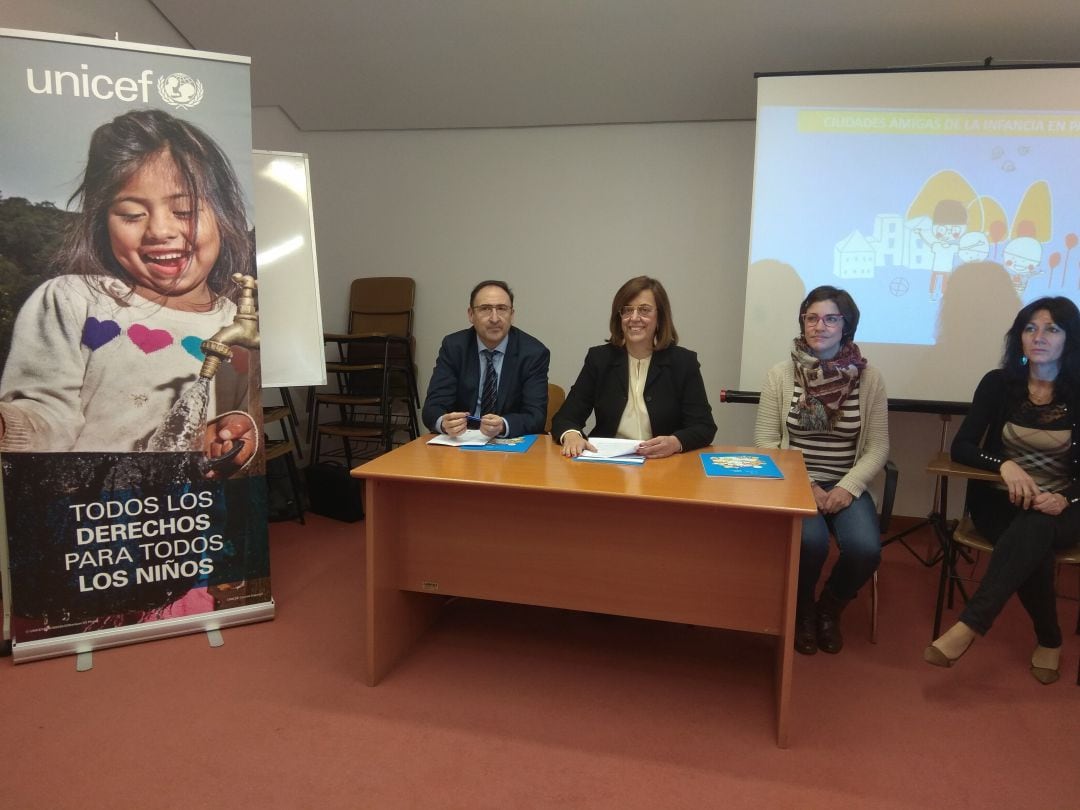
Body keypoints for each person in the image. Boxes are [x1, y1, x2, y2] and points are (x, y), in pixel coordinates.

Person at [0, 108, 257, 476]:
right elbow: (46, 415)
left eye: (184, 210)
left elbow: (244, 421)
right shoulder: (72, 300)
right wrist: (10, 426)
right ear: (102, 223)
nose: (160, 231)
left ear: (224, 214)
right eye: (132, 215)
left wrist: (234, 436)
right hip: (86, 517)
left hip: (187, 517)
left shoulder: (238, 324)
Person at [925, 297, 1080, 684]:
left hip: (1068, 507)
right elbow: (963, 446)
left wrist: (1064, 498)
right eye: (1030, 328)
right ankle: (1049, 640)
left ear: (1070, 338)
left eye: (1052, 329)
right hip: (1001, 503)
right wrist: (1003, 465)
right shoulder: (998, 385)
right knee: (1033, 535)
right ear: (1019, 337)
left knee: (1038, 527)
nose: (1039, 337)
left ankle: (969, 627)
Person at [754, 285, 888, 655]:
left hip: (846, 483)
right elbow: (766, 442)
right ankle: (802, 611)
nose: (820, 326)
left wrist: (848, 487)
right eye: (811, 318)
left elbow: (878, 447)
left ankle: (829, 608)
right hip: (794, 480)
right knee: (809, 543)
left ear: (847, 325)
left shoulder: (869, 379)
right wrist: (806, 484)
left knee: (864, 549)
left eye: (831, 318)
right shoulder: (781, 375)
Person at [551, 275, 715, 458]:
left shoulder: (683, 362)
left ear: (660, 317)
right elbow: (565, 418)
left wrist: (676, 442)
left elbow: (704, 427)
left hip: (663, 465)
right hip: (608, 465)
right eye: (627, 310)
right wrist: (572, 435)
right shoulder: (600, 359)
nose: (634, 318)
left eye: (644, 310)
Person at [422, 280, 550, 438]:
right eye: (485, 309)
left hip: (510, 445)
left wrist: (503, 425)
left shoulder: (533, 352)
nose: (495, 318)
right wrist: (444, 422)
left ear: (512, 315)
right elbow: (433, 407)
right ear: (471, 315)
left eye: (502, 309)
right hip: (459, 443)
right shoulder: (455, 347)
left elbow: (536, 416)